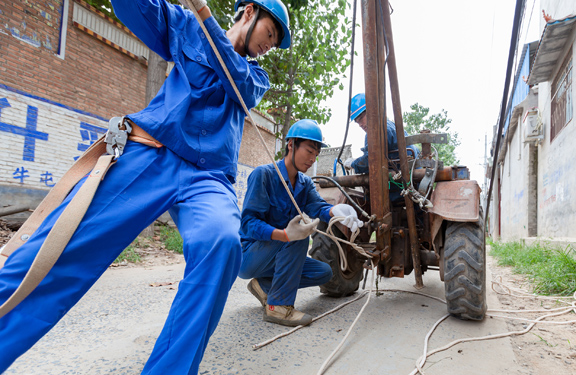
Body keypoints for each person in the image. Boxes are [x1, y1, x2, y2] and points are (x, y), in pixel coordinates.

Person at [0, 0, 290, 374]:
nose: (270, 43)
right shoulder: (185, 26)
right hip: (151, 152)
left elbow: (239, 84)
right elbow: (130, 8)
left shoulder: (255, 76)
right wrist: (195, 16)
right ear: (249, 12)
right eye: (270, 33)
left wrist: (206, 16)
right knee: (61, 246)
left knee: (222, 243)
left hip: (209, 180)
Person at [238, 119, 363, 327]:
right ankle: (278, 307)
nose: (313, 159)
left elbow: (317, 207)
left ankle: (264, 286)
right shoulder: (264, 175)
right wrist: (284, 235)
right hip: (250, 256)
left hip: (276, 255)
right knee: (298, 237)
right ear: (291, 145)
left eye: (316, 154)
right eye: (309, 151)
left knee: (324, 272)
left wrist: (336, 211)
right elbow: (248, 224)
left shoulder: (304, 183)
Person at [344, 93, 419, 203]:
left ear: (372, 110)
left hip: (398, 188)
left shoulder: (377, 131)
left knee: (368, 200)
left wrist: (353, 164)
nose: (360, 124)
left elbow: (369, 161)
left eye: (361, 118)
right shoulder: (389, 126)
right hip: (408, 183)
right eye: (357, 121)